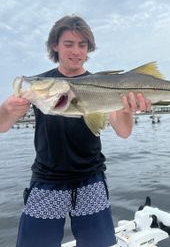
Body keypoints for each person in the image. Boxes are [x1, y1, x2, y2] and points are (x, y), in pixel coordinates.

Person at [0, 15, 151, 247]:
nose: (76, 51)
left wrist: (127, 109)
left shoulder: (101, 83)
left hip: (91, 179)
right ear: (55, 46)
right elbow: (2, 125)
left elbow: (123, 132)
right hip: (47, 180)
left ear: (88, 48)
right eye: (68, 44)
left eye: (82, 45)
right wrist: (7, 108)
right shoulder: (42, 85)